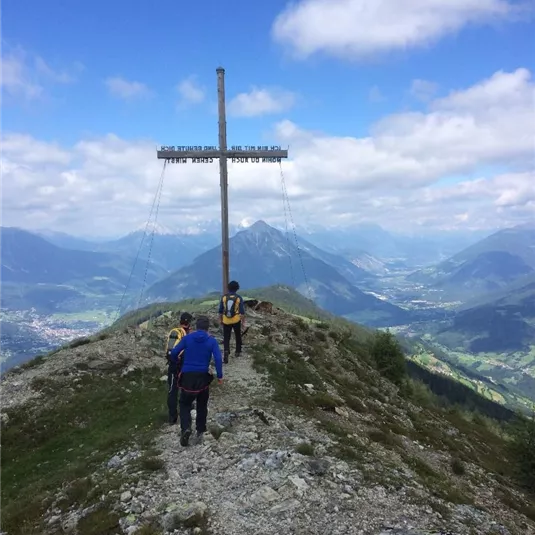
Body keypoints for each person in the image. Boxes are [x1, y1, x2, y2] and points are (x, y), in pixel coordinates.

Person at [168, 315, 223, 447]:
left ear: (196, 327)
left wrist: (176, 364)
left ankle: (186, 428)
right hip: (203, 377)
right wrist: (220, 376)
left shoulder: (187, 338)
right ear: (207, 328)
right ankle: (200, 430)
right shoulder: (211, 341)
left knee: (184, 404)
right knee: (202, 405)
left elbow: (174, 352)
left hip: (187, 376)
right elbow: (218, 359)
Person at [166, 312, 193, 425]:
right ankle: (187, 413)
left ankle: (173, 417)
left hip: (174, 365)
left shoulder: (174, 332)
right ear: (189, 323)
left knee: (172, 391)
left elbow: (170, 351)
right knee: (186, 388)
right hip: (185, 365)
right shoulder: (189, 335)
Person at [218, 280, 246, 364]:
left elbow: (220, 310)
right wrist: (243, 322)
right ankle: (238, 351)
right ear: (237, 288)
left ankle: (226, 351)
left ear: (228, 288)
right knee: (238, 335)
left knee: (226, 337)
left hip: (226, 320)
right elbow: (242, 312)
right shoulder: (238, 298)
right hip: (236, 319)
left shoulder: (224, 297)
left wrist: (220, 320)